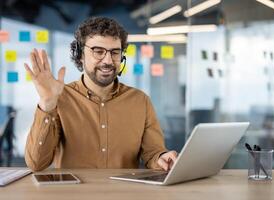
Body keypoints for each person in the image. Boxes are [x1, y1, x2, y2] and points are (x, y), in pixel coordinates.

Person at [24, 17, 177, 172]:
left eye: (115, 52)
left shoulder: (140, 101)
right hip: (74, 194)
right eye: (98, 52)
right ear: (80, 55)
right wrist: (47, 102)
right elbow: (36, 163)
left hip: (124, 194)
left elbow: (153, 154)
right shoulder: (61, 99)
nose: (108, 60)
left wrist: (161, 158)